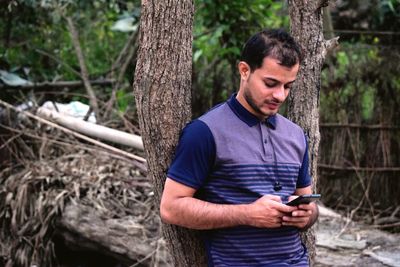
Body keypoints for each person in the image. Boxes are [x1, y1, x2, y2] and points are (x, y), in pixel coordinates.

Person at [160, 29, 319, 267]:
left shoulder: (295, 135)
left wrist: (307, 215)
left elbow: (307, 202)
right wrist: (246, 213)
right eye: (270, 83)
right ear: (245, 70)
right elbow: (171, 208)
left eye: (288, 86)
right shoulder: (205, 132)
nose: (280, 95)